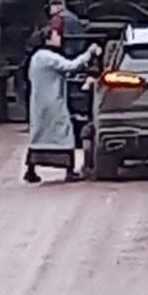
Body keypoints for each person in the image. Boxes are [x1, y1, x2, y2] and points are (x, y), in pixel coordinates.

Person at [24, 22, 101, 183]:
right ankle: (69, 170)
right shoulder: (48, 56)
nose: (59, 37)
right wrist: (89, 53)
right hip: (53, 102)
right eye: (55, 35)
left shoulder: (37, 57)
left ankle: (31, 169)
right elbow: (70, 66)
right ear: (47, 39)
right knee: (64, 132)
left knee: (39, 134)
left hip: (39, 102)